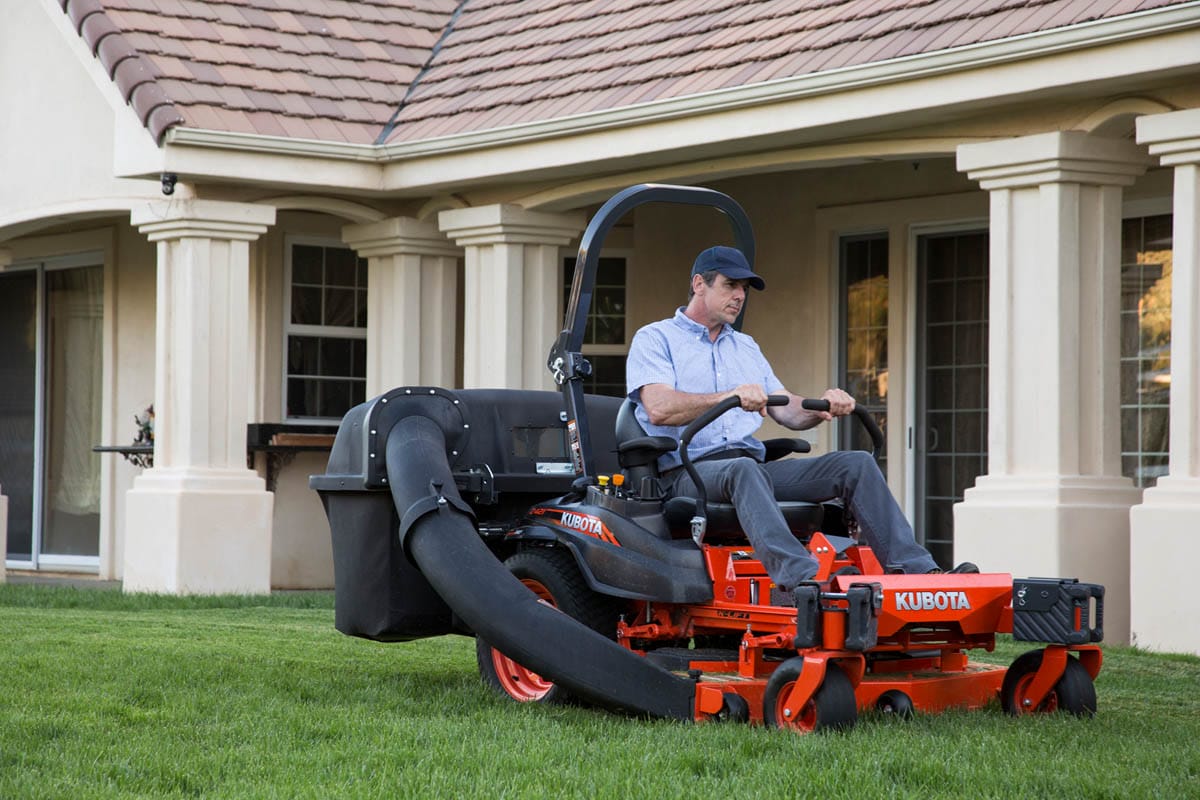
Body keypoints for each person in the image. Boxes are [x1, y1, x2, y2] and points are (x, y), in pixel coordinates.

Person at [626, 245, 971, 596]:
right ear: (699, 284)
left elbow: (787, 410)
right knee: (742, 470)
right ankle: (805, 581)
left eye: (744, 288)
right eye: (730, 285)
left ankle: (920, 573)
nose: (740, 296)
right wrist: (729, 396)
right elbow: (659, 408)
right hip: (688, 472)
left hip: (751, 469)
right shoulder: (656, 338)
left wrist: (821, 407)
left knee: (855, 464)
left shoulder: (746, 347)